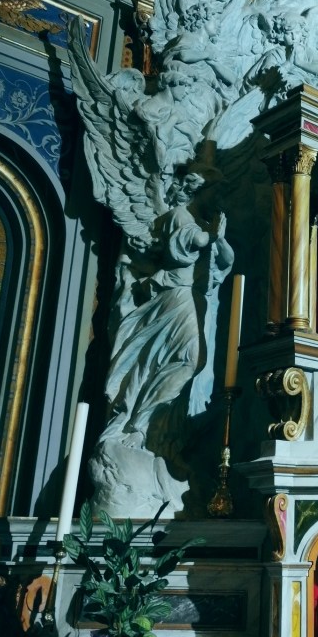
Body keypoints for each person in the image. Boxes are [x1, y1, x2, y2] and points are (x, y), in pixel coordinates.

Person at [100, 177, 233, 448]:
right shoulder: (179, 215)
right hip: (179, 295)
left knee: (183, 362)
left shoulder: (206, 225)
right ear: (200, 190)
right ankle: (138, 422)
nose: (219, 199)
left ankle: (150, 428)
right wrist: (213, 235)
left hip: (196, 300)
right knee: (183, 359)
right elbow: (189, 244)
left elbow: (227, 258)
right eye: (216, 192)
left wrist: (218, 238)